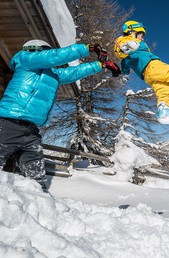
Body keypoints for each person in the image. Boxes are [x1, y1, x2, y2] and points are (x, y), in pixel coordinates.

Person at [0, 39, 121, 191]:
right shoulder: (26, 59)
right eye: (46, 51)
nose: (49, 57)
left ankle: (40, 204)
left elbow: (73, 73)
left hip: (31, 131)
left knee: (36, 179)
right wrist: (86, 48)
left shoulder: (52, 74)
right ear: (37, 50)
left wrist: (100, 65)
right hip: (8, 124)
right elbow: (54, 57)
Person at [114, 20, 169, 125]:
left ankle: (164, 111)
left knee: (163, 89)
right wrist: (127, 47)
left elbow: (125, 66)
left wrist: (125, 75)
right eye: (140, 35)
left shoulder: (132, 52)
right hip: (150, 66)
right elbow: (119, 51)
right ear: (132, 31)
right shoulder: (125, 40)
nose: (142, 38)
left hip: (146, 75)